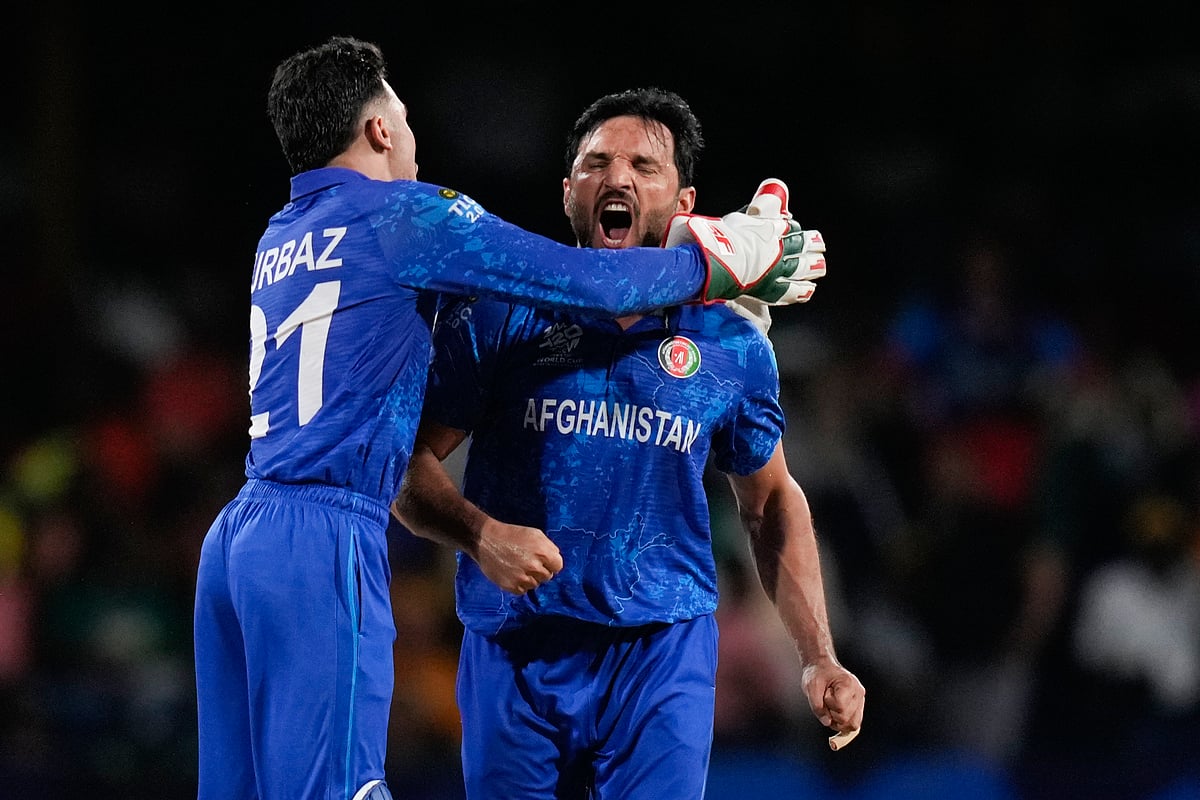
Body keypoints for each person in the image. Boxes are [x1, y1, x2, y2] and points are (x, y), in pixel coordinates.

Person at [192, 38, 826, 800]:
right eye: (404, 113)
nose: (415, 135)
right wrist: (732, 254)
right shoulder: (408, 217)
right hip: (329, 531)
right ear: (381, 132)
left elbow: (769, 497)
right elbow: (589, 283)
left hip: (240, 535)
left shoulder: (282, 233)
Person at [392, 86, 864, 799]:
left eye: (644, 166)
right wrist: (481, 534)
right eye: (596, 163)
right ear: (568, 193)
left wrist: (818, 655)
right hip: (515, 649)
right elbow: (408, 469)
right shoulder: (500, 316)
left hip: (660, 653)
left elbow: (770, 504)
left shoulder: (731, 342)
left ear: (685, 206)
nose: (616, 177)